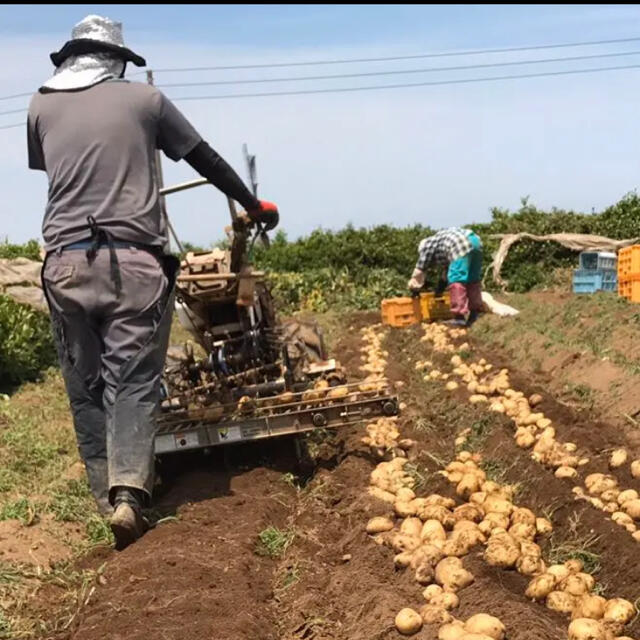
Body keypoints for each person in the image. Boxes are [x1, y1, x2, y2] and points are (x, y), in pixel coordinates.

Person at [27, 14, 279, 550]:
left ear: (69, 60)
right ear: (118, 60)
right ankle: (129, 496)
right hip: (134, 264)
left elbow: (53, 170)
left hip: (65, 266)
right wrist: (253, 205)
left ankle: (104, 497)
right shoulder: (146, 101)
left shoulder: (40, 105)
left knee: (86, 386)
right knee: (134, 382)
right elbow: (203, 158)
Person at [408, 227, 483, 327]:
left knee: (456, 279)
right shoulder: (439, 242)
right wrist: (440, 289)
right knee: (472, 279)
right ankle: (475, 314)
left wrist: (414, 287)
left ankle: (459, 317)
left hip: (459, 244)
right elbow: (447, 271)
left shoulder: (426, 247)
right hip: (475, 241)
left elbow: (420, 269)